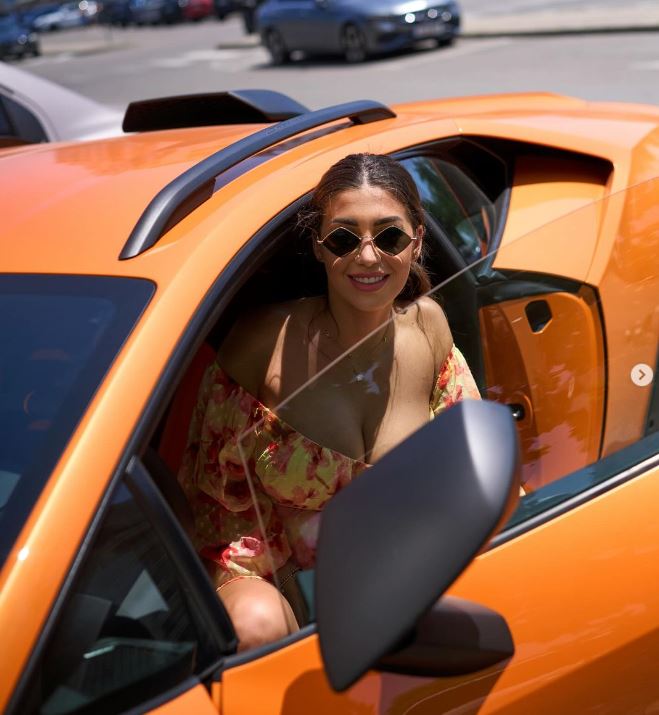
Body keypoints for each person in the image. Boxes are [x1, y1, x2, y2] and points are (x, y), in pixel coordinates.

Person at [177, 153, 481, 651]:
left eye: (389, 236)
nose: (368, 257)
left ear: (417, 240)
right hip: (282, 584)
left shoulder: (429, 327)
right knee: (254, 626)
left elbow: (471, 468)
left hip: (406, 574)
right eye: (344, 238)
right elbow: (215, 500)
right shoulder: (261, 345)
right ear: (318, 247)